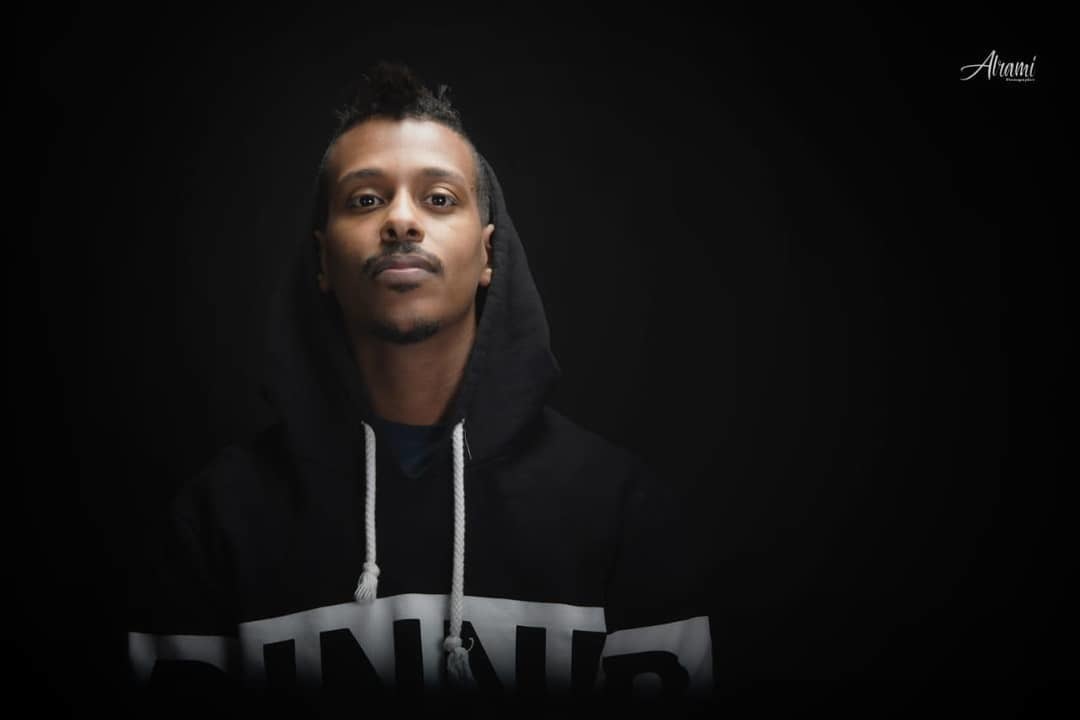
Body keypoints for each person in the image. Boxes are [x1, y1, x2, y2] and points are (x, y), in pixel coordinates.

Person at [125, 60, 715, 716]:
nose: (401, 221)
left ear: (489, 254)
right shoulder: (216, 522)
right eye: (365, 200)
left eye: (438, 199)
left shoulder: (620, 510)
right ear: (322, 260)